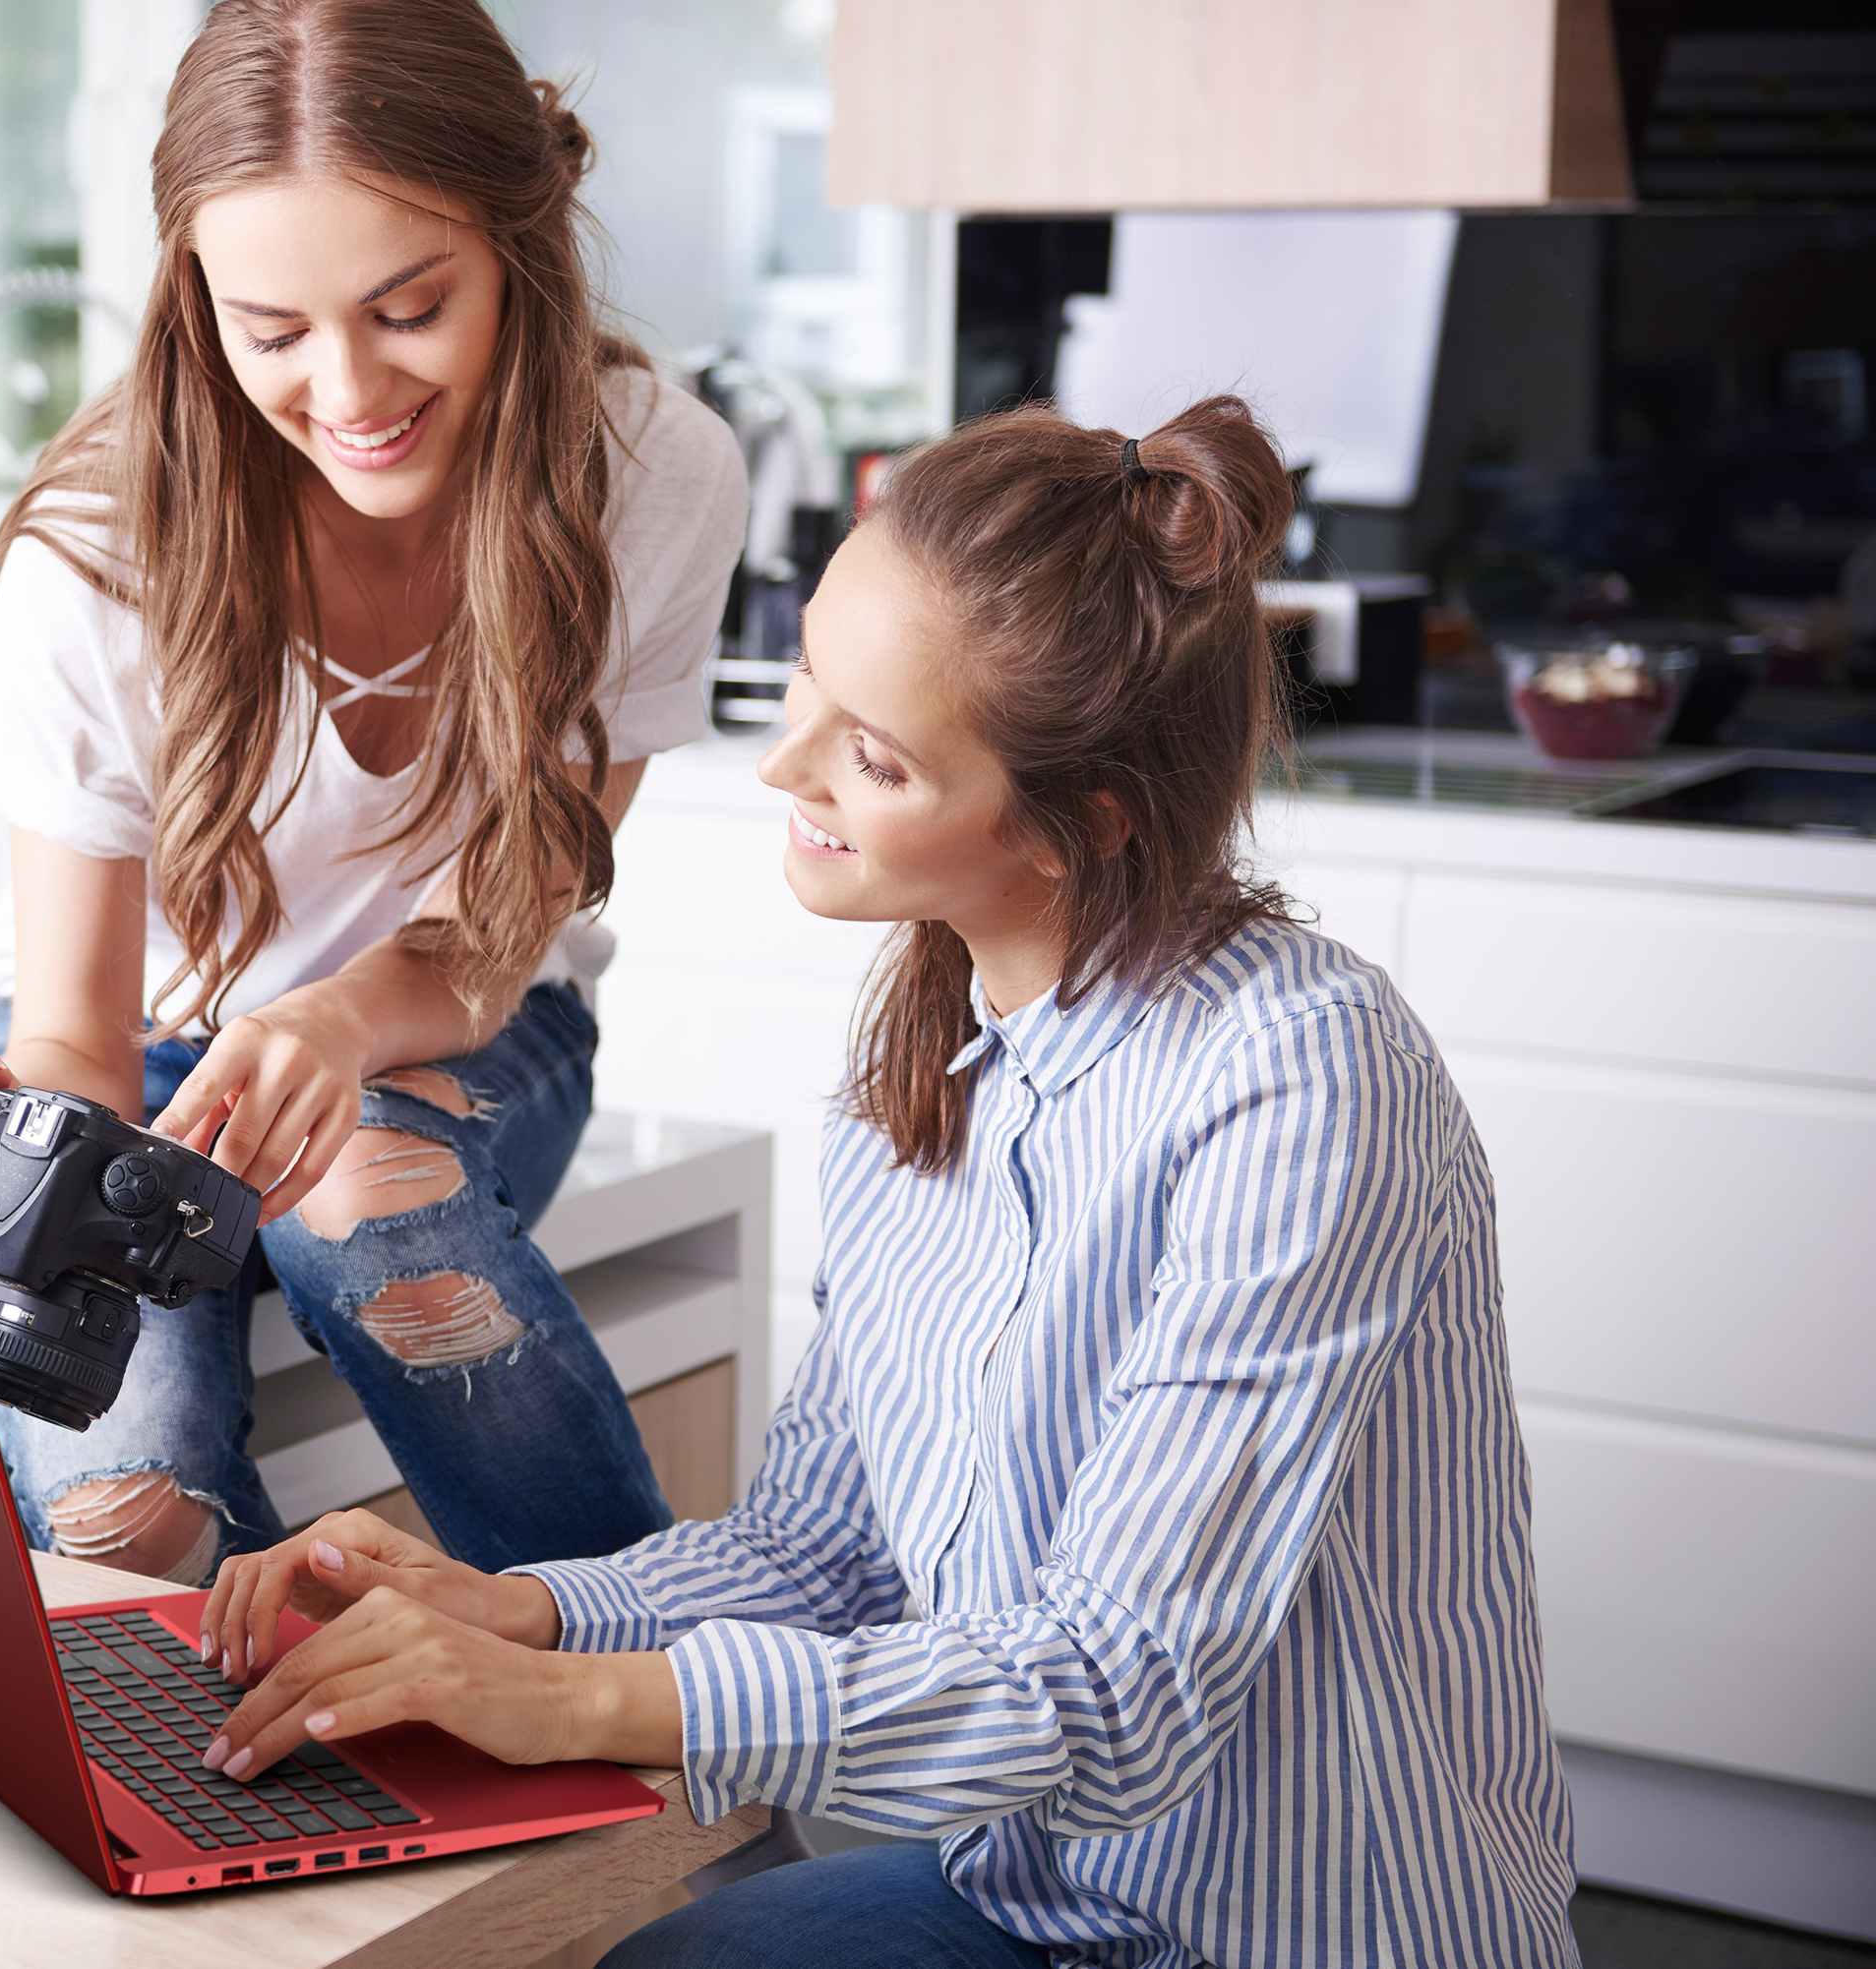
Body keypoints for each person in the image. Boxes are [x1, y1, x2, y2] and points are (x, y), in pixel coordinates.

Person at [188, 398, 1582, 1968]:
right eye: (804, 677)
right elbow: (822, 1559)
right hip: (1030, 1892)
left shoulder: (1306, 1079)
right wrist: (525, 1612)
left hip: (1312, 1934)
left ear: (1079, 823)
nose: (785, 761)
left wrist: (575, 1702)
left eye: (873, 751)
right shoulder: (924, 1063)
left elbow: (1115, 1693)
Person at [0, 0, 748, 1586]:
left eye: (410, 307)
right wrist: (13, 1183)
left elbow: (502, 918)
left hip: (460, 1021)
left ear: (519, 246)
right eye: (273, 332)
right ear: (198, 302)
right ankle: (248, 1794)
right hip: (126, 1041)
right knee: (125, 1507)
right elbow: (73, 1029)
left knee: (359, 1199)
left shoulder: (654, 474)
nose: (348, 388)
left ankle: (655, 1694)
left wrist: (328, 1028)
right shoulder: (100, 546)